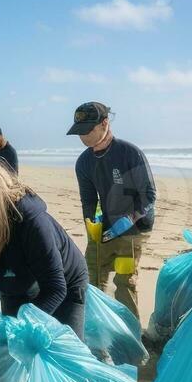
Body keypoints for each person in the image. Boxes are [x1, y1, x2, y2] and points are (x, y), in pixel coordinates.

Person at [0, 156, 88, 337]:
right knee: (13, 356)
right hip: (15, 284)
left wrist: (22, 329)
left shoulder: (31, 223)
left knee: (62, 353)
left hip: (64, 286)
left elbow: (55, 288)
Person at [68, 101, 155, 319]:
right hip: (105, 225)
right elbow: (88, 200)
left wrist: (127, 221)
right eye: (79, 132)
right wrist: (91, 225)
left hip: (135, 227)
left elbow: (149, 196)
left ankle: (131, 335)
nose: (83, 137)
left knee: (124, 281)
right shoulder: (84, 162)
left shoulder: (129, 153)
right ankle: (96, 329)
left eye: (88, 130)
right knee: (92, 277)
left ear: (105, 123)